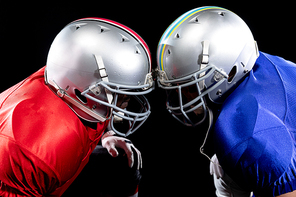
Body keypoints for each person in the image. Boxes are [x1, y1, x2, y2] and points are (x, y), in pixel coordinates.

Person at [0, 17, 154, 197]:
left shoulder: (70, 82)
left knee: (121, 164)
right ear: (84, 87)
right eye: (121, 92)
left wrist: (104, 136)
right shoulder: (33, 152)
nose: (127, 100)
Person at [156, 6, 296, 197]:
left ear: (229, 72)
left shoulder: (245, 135)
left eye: (190, 86)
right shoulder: (273, 64)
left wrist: (241, 156)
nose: (184, 97)